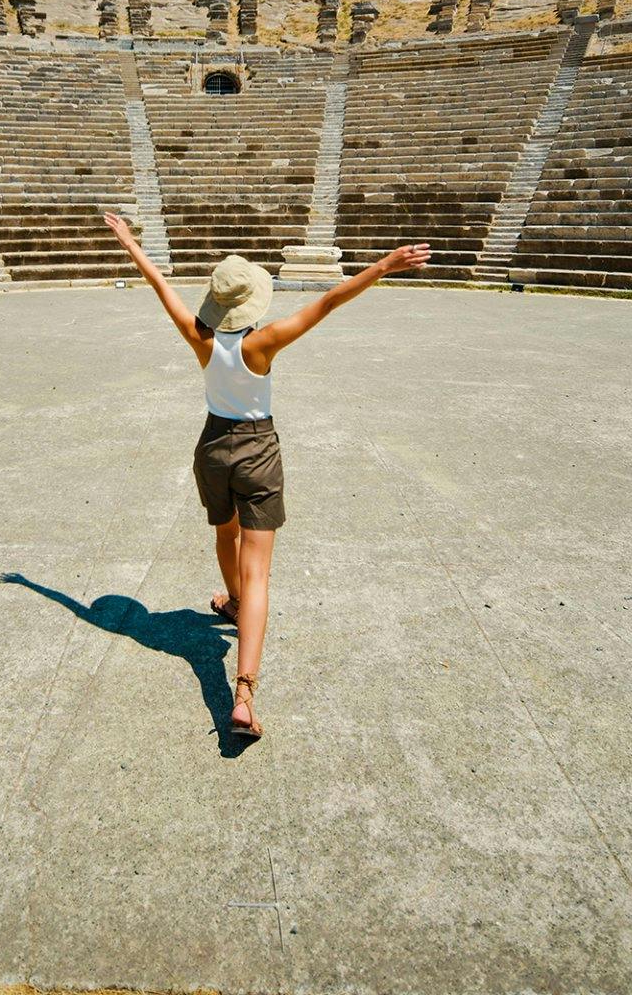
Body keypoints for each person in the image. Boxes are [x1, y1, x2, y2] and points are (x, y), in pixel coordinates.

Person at [103, 211, 431, 740]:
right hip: (257, 450)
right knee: (259, 572)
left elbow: (159, 284)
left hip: (213, 447)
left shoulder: (198, 337)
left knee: (224, 534)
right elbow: (329, 300)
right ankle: (244, 693)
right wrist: (385, 265)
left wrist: (128, 241)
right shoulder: (264, 343)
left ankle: (232, 602)